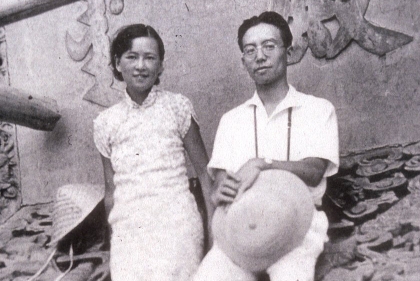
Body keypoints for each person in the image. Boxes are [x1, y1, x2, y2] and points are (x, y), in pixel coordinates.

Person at [194, 11, 339, 281]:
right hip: (242, 224)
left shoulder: (318, 109)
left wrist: (262, 163)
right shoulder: (232, 120)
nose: (259, 56)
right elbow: (221, 181)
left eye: (269, 46)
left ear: (288, 50)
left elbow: (314, 170)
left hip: (299, 222)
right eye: (250, 50)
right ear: (244, 61)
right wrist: (220, 189)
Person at [93, 24, 214, 280]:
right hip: (130, 228)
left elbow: (205, 175)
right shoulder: (105, 122)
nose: (141, 65)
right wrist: (113, 249)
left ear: (160, 66)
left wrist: (214, 238)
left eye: (150, 58)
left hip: (178, 224)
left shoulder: (177, 107)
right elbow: (110, 193)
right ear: (117, 63)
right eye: (132, 56)